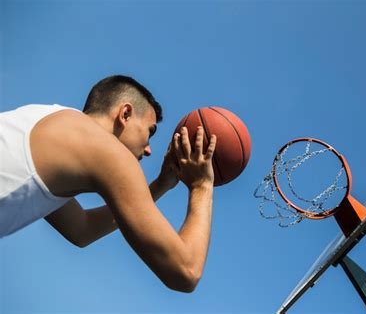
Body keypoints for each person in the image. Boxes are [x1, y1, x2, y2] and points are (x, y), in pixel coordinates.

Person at [0, 75, 217, 292]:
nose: (149, 149)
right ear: (125, 114)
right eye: (149, 132)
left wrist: (161, 184)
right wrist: (202, 185)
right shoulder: (108, 150)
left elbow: (82, 229)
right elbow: (185, 271)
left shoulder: (46, 117)